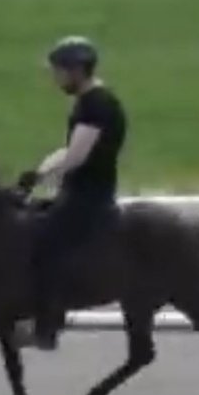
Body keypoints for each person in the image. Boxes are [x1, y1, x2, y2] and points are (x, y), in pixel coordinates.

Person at [16, 36, 127, 351]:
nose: (56, 79)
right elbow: (68, 149)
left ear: (77, 71)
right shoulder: (92, 101)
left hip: (88, 199)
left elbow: (76, 156)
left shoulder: (96, 105)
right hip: (81, 193)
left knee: (43, 243)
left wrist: (39, 176)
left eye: (59, 72)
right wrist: (36, 175)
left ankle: (47, 327)